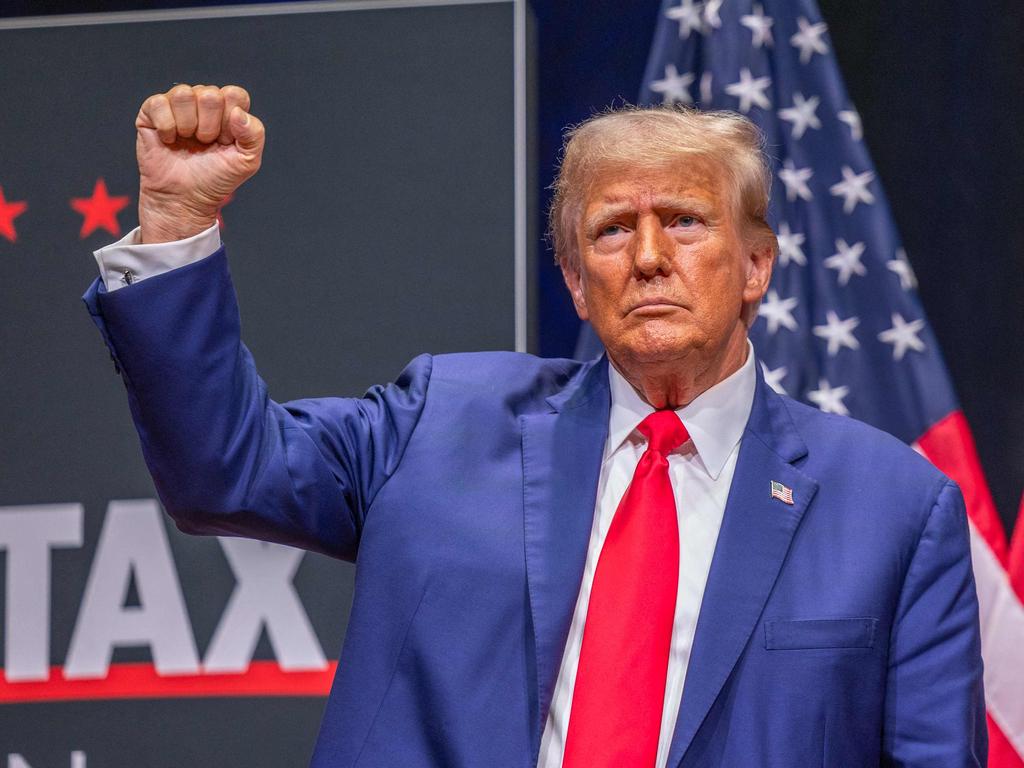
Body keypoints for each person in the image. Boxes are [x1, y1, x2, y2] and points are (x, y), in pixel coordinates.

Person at [83, 85, 986, 767]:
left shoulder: (895, 511)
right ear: (574, 282)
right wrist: (178, 221)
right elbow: (222, 471)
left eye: (683, 221)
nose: (647, 258)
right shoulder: (441, 423)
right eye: (610, 231)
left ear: (755, 265)